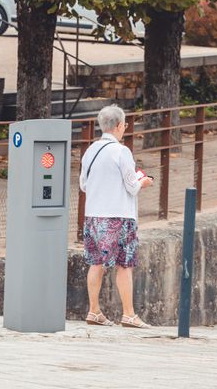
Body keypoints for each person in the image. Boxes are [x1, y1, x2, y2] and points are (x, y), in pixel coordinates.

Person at [79, 105, 153, 328]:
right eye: (125, 125)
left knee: (96, 263)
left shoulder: (90, 150)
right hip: (119, 216)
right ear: (119, 125)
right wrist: (145, 181)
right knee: (124, 264)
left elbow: (83, 184)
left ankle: (94, 310)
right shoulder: (122, 151)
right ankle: (129, 314)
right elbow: (132, 187)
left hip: (93, 215)